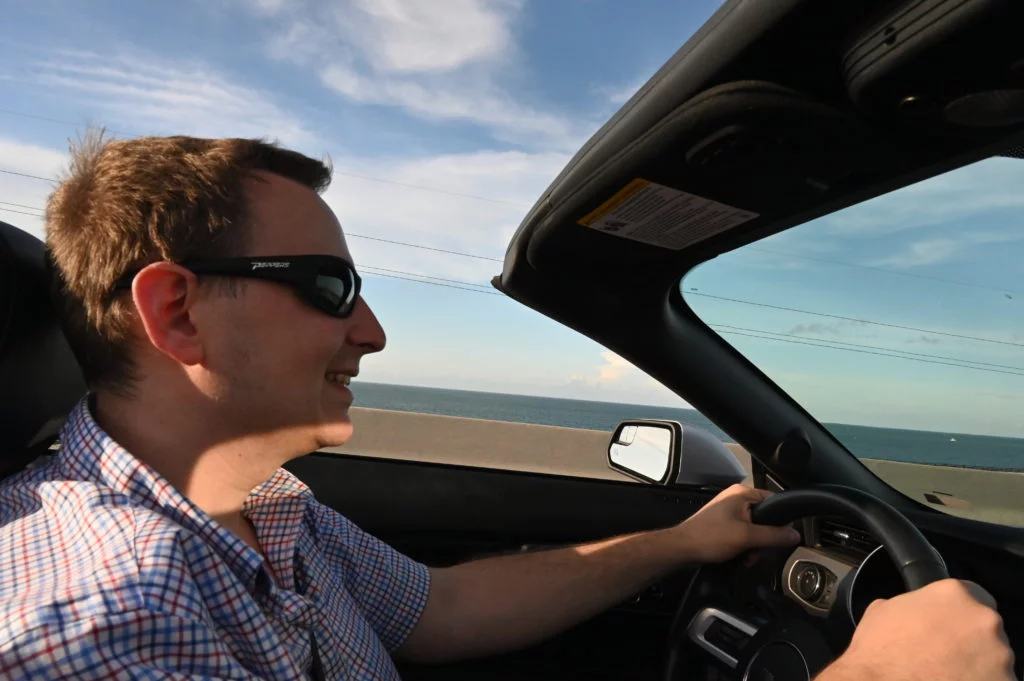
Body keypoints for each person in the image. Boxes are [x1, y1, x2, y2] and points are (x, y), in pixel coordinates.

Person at [0, 134, 1014, 681]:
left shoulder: (258, 504)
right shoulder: (116, 622)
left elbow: (441, 613)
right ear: (177, 311)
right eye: (331, 289)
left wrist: (678, 544)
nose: (372, 333)